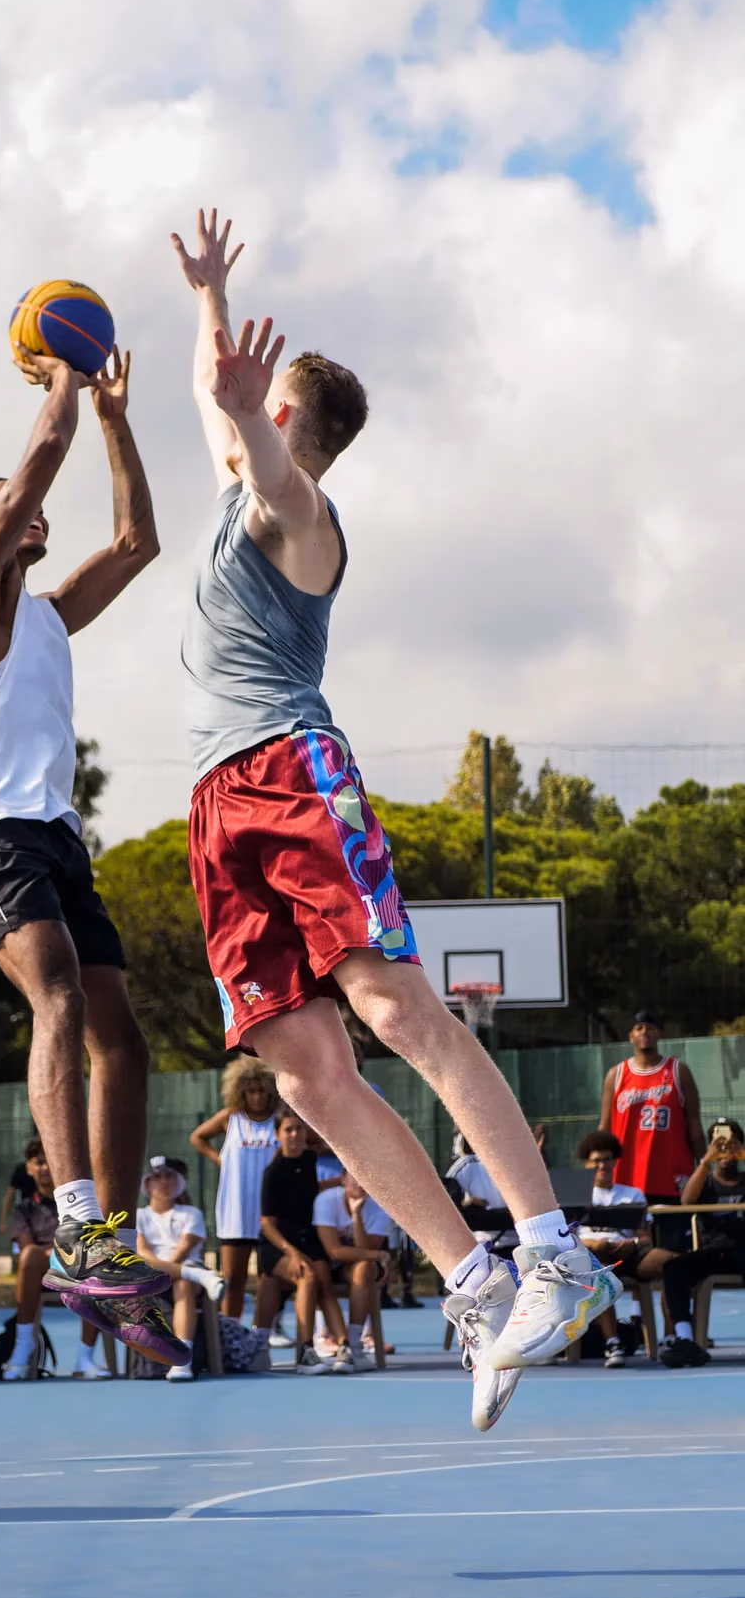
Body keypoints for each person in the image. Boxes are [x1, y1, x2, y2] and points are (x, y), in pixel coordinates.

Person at [171, 206, 617, 1431]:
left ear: (289, 425)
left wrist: (246, 402)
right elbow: (222, 419)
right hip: (217, 805)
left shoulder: (298, 519)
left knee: (392, 1007)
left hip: (291, 769)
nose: (239, 416)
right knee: (306, 1068)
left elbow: (261, 461)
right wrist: (209, 299)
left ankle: (556, 1253)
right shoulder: (238, 480)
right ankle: (475, 1285)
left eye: (260, 405)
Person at [0, 337, 178, 1363]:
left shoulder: (45, 617)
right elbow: (34, 459)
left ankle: (105, 1246)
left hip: (56, 836)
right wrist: (65, 379)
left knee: (123, 1040)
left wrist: (115, 416)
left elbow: (137, 543)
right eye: (7, 507)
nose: (33, 511)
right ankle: (75, 1217)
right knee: (62, 999)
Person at [256, 1111, 355, 1374]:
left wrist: (346, 1180)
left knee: (323, 1283)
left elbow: (311, 1188)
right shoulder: (273, 1172)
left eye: (299, 1129)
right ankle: (304, 1352)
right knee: (308, 1277)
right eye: (288, 1130)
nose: (294, 1134)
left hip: (308, 1240)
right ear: (278, 1135)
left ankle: (345, 1347)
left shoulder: (310, 1159)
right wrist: (292, 1254)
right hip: (277, 1245)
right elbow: (267, 1223)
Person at [2, 1137, 108, 1381]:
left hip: (78, 1272)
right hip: (40, 1274)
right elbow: (27, 1249)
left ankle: (85, 1358)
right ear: (29, 1168)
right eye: (39, 1162)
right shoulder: (23, 1209)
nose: (45, 1168)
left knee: (93, 1263)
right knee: (29, 1256)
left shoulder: (79, 1205)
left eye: (49, 1161)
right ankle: (23, 1346)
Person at [574, 1130, 677, 1368]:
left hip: (628, 1254)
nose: (602, 1165)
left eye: (607, 1159)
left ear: (615, 1161)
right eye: (596, 1160)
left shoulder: (632, 1194)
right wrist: (594, 1243)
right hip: (592, 1255)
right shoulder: (575, 1195)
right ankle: (612, 1342)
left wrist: (631, 1244)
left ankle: (672, 1338)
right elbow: (568, 1238)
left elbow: (645, 1239)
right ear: (587, 1163)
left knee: (672, 1263)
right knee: (594, 1265)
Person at [190, 1056, 278, 1318]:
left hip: (269, 1214)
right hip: (236, 1212)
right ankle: (231, 1333)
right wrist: (220, 1159)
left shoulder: (282, 1120)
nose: (257, 1096)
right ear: (240, 1091)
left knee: (269, 1280)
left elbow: (313, 1142)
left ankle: (265, 1331)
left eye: (262, 1090)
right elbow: (198, 1137)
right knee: (233, 1280)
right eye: (251, 1091)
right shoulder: (231, 1118)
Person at [598, 1011, 705, 1213]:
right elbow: (604, 1129)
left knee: (672, 1242)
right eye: (639, 1028)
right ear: (631, 1036)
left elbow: (694, 1125)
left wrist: (704, 1166)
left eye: (650, 1027)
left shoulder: (678, 1071)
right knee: (630, 1242)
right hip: (626, 1178)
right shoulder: (617, 1075)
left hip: (671, 1177)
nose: (644, 1031)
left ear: (659, 1034)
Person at [659, 1119, 745, 1368]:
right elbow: (687, 1200)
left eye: (731, 1143)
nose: (725, 1149)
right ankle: (686, 1340)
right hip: (714, 1252)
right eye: (719, 1143)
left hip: (743, 1249)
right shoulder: (705, 1182)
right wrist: (706, 1161)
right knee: (673, 1268)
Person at [136, 1155, 225, 1382]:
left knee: (183, 1283)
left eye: (169, 1176)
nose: (164, 1182)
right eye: (157, 1177)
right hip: (149, 1274)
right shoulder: (139, 1216)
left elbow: (182, 1252)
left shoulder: (191, 1214)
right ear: (147, 1184)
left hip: (181, 1273)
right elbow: (143, 1253)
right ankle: (203, 1277)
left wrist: (167, 1272)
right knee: (144, 1261)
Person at [312, 1170, 395, 1366]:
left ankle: (355, 1345)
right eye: (353, 1176)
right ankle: (326, 1336)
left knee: (364, 1268)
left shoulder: (379, 1206)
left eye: (363, 1177)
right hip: (328, 1266)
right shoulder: (326, 1200)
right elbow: (333, 1251)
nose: (358, 1182)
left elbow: (363, 1251)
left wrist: (357, 1216)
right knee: (317, 1271)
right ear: (343, 1179)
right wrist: (380, 1255)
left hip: (356, 1267)